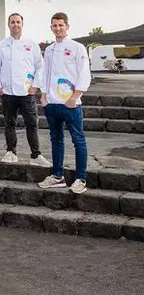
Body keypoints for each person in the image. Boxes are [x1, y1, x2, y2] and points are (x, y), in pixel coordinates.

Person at [37, 12, 91, 194]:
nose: (58, 28)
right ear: (51, 27)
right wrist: (43, 96)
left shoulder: (77, 48)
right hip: (52, 103)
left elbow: (84, 74)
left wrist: (74, 97)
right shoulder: (50, 50)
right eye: (54, 25)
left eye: (61, 25)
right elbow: (45, 74)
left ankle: (80, 178)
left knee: (78, 140)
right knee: (56, 140)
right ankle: (57, 176)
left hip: (70, 103)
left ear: (67, 26)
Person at [0, 13, 49, 165]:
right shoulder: (0, 45)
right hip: (8, 92)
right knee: (10, 123)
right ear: (8, 25)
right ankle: (10, 152)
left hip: (27, 92)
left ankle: (36, 155)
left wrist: (35, 86)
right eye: (12, 22)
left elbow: (40, 66)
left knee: (32, 124)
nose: (15, 24)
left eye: (18, 22)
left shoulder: (31, 44)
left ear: (22, 24)